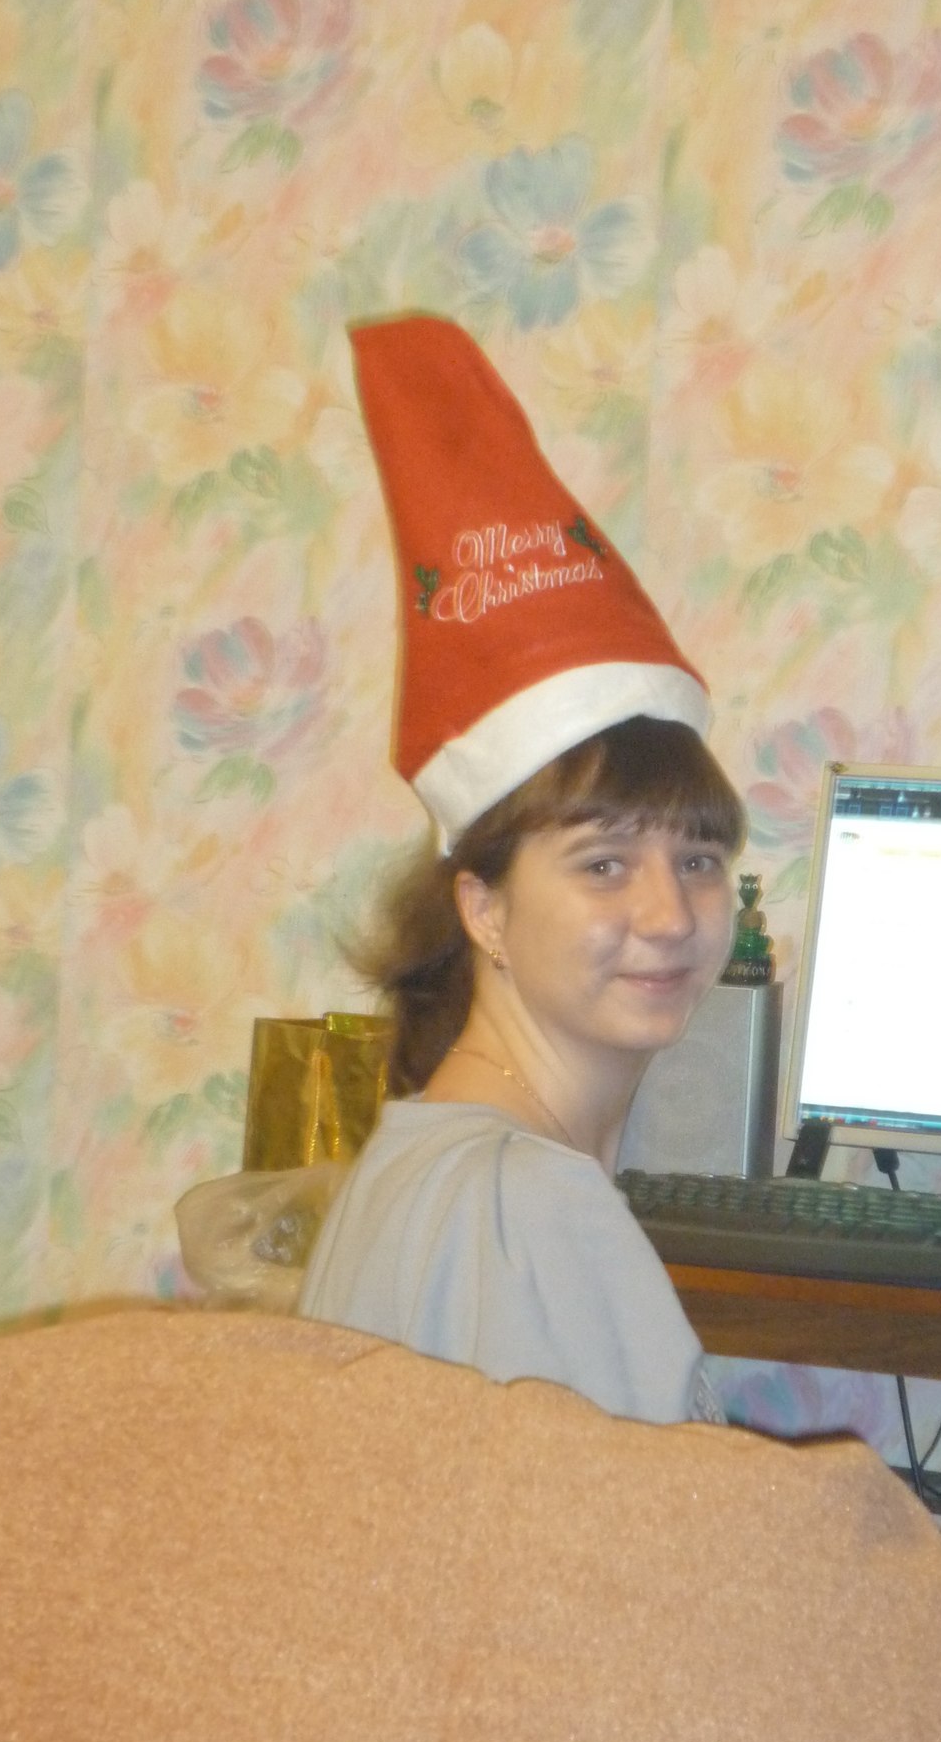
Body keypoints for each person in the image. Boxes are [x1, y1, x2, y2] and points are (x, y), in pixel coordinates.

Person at [298, 314, 744, 1424]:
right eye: (604, 863)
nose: (670, 913)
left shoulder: (430, 1152)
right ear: (483, 909)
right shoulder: (527, 1206)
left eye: (698, 857)